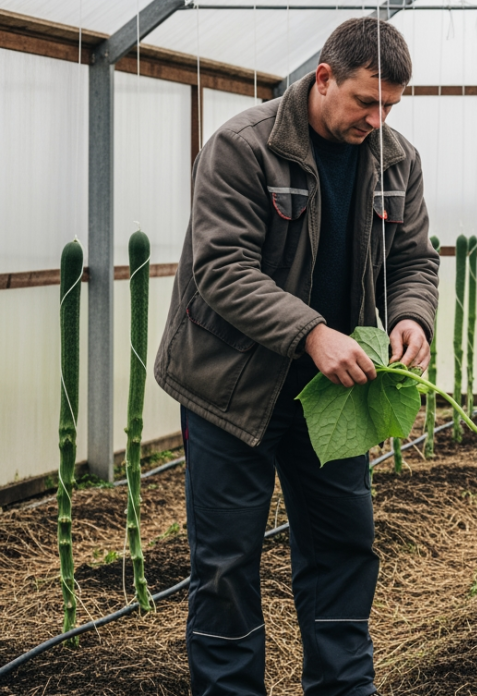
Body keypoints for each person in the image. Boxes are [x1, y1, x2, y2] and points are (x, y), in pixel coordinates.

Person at [152, 18, 437, 696]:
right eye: (366, 101)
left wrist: (410, 315)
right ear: (324, 78)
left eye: (390, 105)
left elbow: (414, 260)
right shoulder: (242, 148)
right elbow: (221, 269)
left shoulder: (398, 160)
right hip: (230, 388)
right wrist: (312, 332)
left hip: (335, 395)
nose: (377, 118)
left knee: (343, 549)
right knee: (225, 565)